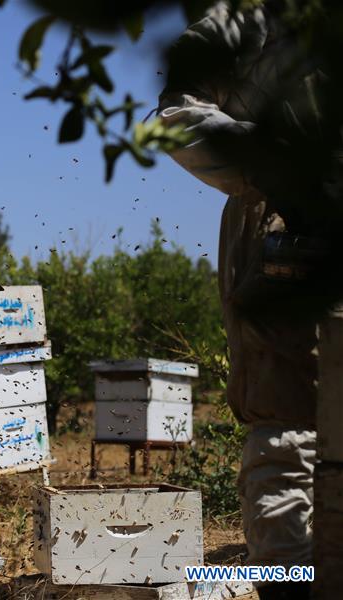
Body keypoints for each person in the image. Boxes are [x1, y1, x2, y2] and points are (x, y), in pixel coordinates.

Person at [159, 2, 342, 599]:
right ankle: (290, 584)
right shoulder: (245, 20)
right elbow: (174, 116)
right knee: (289, 424)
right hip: (288, 231)